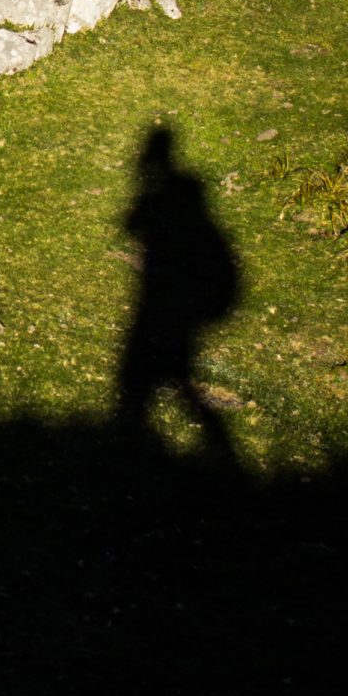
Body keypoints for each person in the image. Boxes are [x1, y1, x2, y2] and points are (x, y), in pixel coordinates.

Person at [116, 127, 243, 455]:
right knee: (175, 377)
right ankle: (215, 447)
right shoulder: (191, 211)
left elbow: (130, 223)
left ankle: (133, 440)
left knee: (141, 376)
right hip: (176, 302)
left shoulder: (160, 198)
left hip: (161, 302)